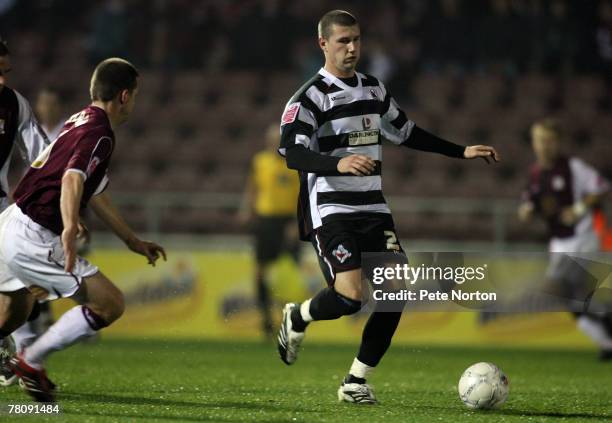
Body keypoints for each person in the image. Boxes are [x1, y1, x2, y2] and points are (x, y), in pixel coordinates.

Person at [276, 10, 499, 404]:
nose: (352, 48)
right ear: (323, 44)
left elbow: (407, 132)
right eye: (343, 40)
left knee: (395, 293)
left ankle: (355, 382)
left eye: (357, 39)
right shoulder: (308, 97)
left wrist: (460, 151)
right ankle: (298, 316)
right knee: (349, 298)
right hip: (330, 208)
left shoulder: (375, 90)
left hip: (373, 207)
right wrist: (337, 162)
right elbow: (292, 153)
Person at [0, 57, 166, 402]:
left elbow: (96, 189)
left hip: (11, 223)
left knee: (12, 313)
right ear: (124, 96)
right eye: (135, 95)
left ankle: (30, 362)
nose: (134, 102)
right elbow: (72, 177)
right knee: (110, 304)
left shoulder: (81, 119)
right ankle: (30, 361)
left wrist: (132, 241)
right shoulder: (99, 132)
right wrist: (70, 225)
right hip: (34, 231)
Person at [518, 118, 612, 360]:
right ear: (533, 143)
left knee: (556, 287)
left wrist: (579, 209)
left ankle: (604, 324)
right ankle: (605, 339)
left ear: (558, 143)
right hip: (559, 242)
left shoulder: (573, 167)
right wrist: (526, 210)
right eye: (540, 140)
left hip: (582, 236)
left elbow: (601, 187)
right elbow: (530, 201)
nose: (544, 145)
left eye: (549, 140)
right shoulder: (536, 173)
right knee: (570, 297)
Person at [0, 39, 52, 387]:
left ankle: (17, 357)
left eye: (5, 72)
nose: (3, 81)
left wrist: (53, 201)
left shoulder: (14, 104)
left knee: (21, 300)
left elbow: (43, 156)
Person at [239, 123, 300, 338]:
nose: (274, 143)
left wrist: (296, 222)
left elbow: (301, 196)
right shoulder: (260, 161)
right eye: (271, 140)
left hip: (288, 221)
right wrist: (247, 210)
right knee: (261, 272)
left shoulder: (295, 162)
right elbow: (252, 188)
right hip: (266, 221)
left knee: (290, 273)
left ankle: (293, 321)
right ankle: (265, 320)